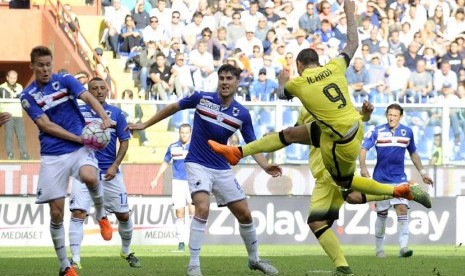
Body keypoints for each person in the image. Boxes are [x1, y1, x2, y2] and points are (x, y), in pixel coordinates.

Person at [208, 0, 432, 209]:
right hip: (346, 127)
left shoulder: (299, 82)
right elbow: (353, 43)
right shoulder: (335, 66)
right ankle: (237, 152)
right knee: (290, 133)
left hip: (342, 141)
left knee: (347, 187)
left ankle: (401, 191)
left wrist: (281, 81)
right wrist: (349, 13)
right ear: (318, 62)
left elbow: (279, 93)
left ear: (298, 65)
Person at [128, 64, 281, 276]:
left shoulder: (242, 114)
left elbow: (252, 144)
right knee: (202, 207)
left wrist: (265, 166)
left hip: (221, 167)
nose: (225, 82)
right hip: (197, 162)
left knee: (245, 214)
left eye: (229, 78)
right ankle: (193, 266)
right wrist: (145, 124)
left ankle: (254, 260)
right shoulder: (202, 99)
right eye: (222, 78)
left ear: (237, 83)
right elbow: (173, 107)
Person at [20, 46, 113, 276]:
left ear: (52, 63)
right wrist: (78, 137)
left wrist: (103, 116)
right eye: (40, 65)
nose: (45, 69)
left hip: (79, 149)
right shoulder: (27, 96)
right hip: (53, 154)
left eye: (48, 64)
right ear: (32, 66)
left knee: (91, 177)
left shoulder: (66, 80)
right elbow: (45, 125)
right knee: (57, 213)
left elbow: (88, 97)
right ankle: (65, 266)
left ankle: (101, 215)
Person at [68, 77, 141, 270]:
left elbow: (125, 141)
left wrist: (115, 165)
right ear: (87, 92)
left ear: (107, 91)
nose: (99, 91)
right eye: (94, 88)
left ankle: (126, 251)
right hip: (83, 171)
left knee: (124, 216)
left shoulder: (116, 113)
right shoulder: (77, 112)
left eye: (102, 88)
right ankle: (75, 259)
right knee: (78, 213)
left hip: (110, 173)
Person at [359, 103, 434, 259]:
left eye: (395, 115)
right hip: (380, 181)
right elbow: (364, 148)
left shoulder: (407, 132)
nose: (391, 117)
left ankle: (404, 247)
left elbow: (413, 153)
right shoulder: (377, 130)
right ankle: (379, 250)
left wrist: (423, 173)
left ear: (400, 117)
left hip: (399, 179)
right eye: (389, 114)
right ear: (386, 115)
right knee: (382, 214)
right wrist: (363, 167)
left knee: (402, 208)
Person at [151, 123, 194, 251]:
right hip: (178, 182)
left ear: (190, 133)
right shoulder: (173, 147)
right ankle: (181, 242)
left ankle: (193, 242)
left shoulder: (195, 146)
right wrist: (156, 178)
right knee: (180, 213)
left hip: (192, 182)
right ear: (179, 133)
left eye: (187, 132)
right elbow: (165, 163)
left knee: (193, 212)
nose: (184, 135)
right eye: (182, 132)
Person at [0, 70, 30, 160]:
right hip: (7, 114)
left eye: (15, 78)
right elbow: (4, 99)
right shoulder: (2, 87)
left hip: (18, 114)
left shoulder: (20, 87)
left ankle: (23, 154)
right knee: (9, 135)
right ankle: (10, 154)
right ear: (7, 78)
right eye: (11, 78)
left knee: (21, 135)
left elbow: (22, 98)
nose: (13, 80)